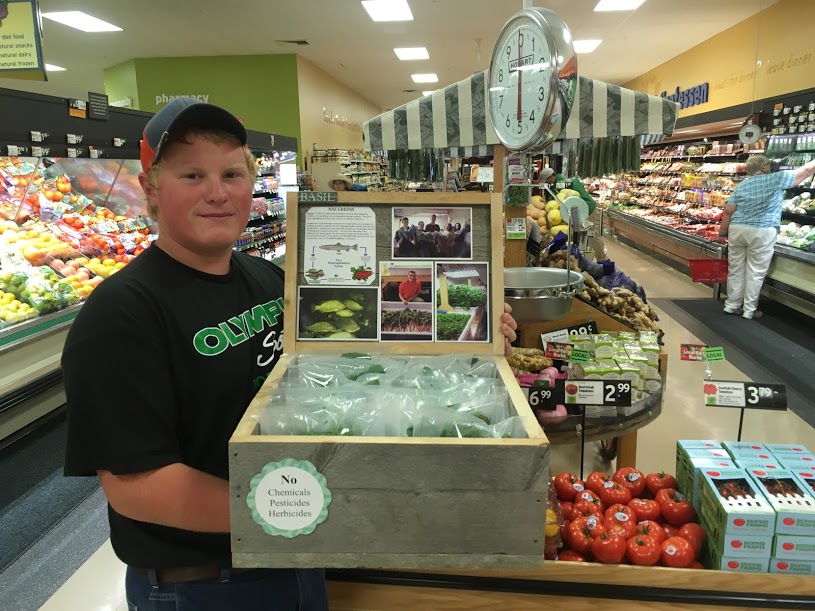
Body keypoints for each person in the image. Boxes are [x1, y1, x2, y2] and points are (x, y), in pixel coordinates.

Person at [62, 98, 519, 611]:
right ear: (150, 188)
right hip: (204, 584)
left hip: (294, 552)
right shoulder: (122, 314)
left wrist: (472, 340)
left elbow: (364, 359)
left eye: (231, 173)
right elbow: (136, 485)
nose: (217, 193)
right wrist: (293, 506)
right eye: (192, 175)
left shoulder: (271, 280)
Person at [719, 154, 815, 319]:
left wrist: (722, 233)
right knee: (755, 271)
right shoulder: (775, 179)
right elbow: (805, 171)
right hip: (762, 230)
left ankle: (731, 305)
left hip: (738, 229)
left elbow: (729, 211)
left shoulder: (741, 185)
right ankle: (749, 311)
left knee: (735, 269)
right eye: (769, 164)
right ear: (763, 168)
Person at [541, 167, 607, 261]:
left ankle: (602, 258)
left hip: (585, 207)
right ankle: (581, 256)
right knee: (582, 233)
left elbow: (563, 200)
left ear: (551, 177)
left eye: (547, 181)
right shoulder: (564, 178)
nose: (548, 184)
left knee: (590, 232)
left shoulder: (562, 183)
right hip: (580, 207)